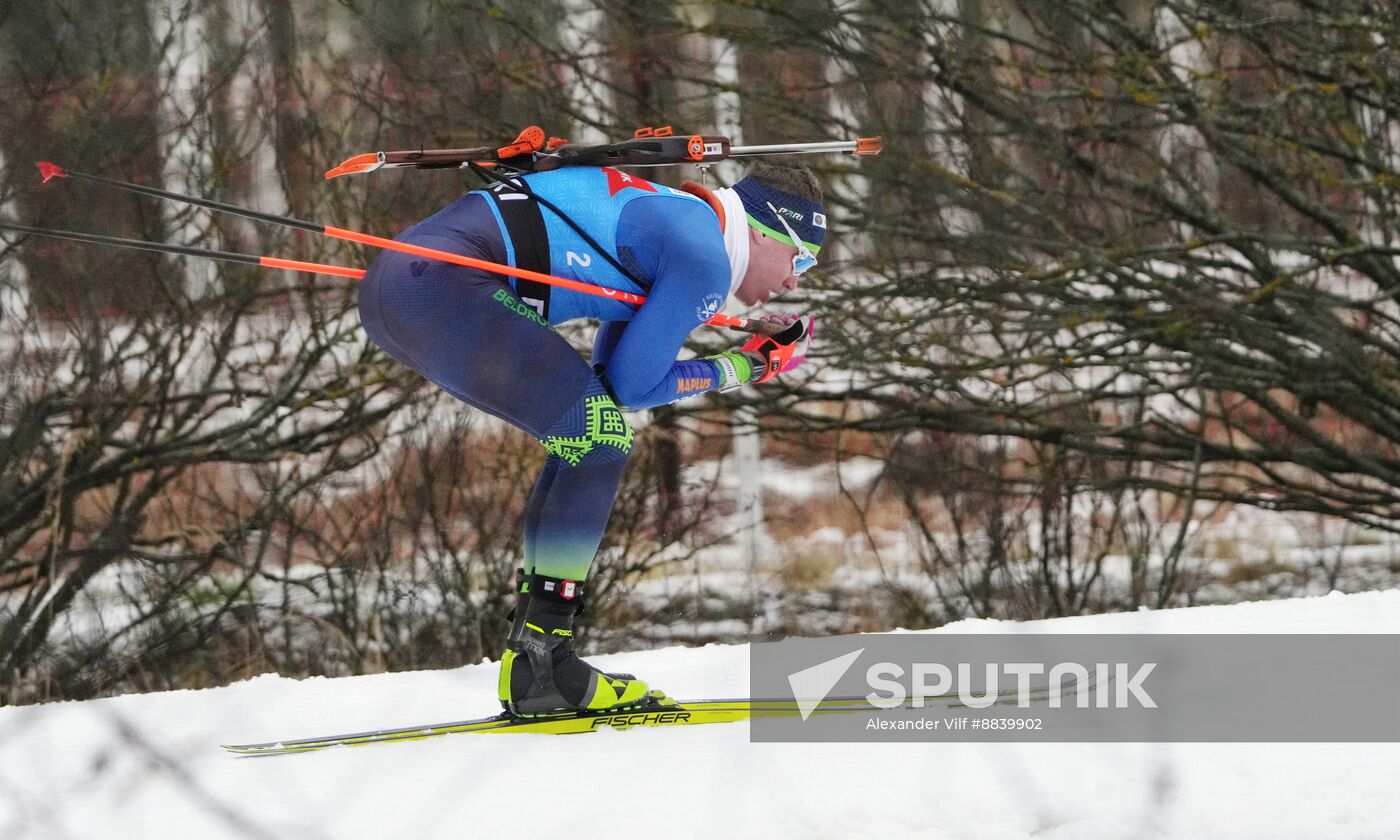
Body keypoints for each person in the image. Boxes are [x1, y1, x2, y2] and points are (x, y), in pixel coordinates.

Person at [355, 161, 826, 717]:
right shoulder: (704, 258)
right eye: (800, 257)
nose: (795, 280)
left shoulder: (680, 222)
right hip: (442, 286)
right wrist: (747, 368)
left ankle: (538, 662)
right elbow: (632, 384)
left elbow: (612, 383)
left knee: (585, 435)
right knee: (599, 439)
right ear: (759, 229)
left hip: (408, 288)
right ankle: (542, 662)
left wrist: (746, 361)